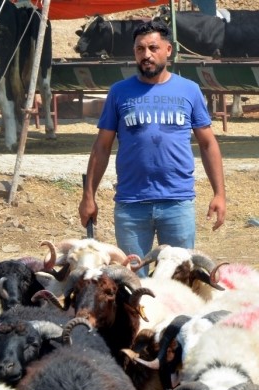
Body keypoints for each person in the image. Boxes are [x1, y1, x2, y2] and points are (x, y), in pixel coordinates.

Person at [78, 19, 226, 271]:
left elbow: (208, 143)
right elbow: (101, 147)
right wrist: (88, 197)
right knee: (134, 283)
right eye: (140, 49)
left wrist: (220, 194)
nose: (146, 55)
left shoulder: (189, 91)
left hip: (177, 203)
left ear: (168, 50)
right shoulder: (119, 92)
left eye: (153, 48)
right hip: (131, 206)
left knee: (180, 279)